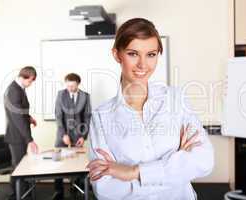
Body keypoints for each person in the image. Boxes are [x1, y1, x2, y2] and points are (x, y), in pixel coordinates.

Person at [87, 18, 214, 200]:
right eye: (133, 54)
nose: (143, 65)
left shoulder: (176, 100)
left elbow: (204, 161)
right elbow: (106, 189)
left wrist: (133, 172)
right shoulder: (101, 116)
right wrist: (177, 167)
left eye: (151, 55)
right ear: (117, 55)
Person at [53, 73, 91, 199]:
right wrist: (63, 134)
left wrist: (83, 136)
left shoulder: (85, 96)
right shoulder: (61, 94)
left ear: (78, 84)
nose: (70, 88)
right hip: (61, 135)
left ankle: (76, 188)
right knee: (58, 163)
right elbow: (58, 116)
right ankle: (58, 191)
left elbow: (87, 117)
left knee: (77, 164)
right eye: (68, 86)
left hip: (78, 136)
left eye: (73, 86)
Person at [4, 66, 39, 200]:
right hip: (16, 136)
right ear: (24, 77)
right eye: (31, 80)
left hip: (19, 135)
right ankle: (15, 196)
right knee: (19, 167)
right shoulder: (14, 90)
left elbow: (20, 111)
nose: (31, 84)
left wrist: (29, 118)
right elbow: (17, 118)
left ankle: (23, 193)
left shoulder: (19, 88)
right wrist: (29, 140)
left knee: (21, 166)